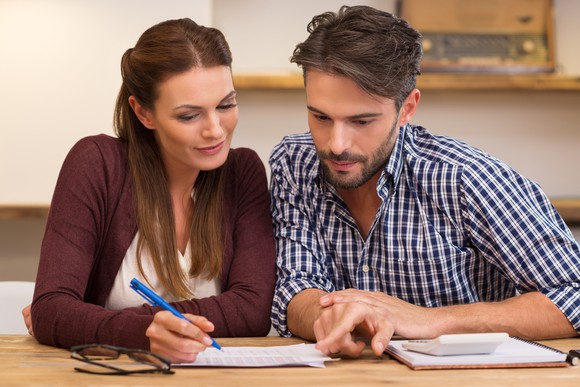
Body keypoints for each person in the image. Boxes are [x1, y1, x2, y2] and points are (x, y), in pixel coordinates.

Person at [269, 5, 580, 358]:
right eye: (321, 116)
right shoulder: (293, 163)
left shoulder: (465, 177)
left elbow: (574, 293)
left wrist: (431, 320)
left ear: (407, 109)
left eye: (362, 121)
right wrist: (326, 317)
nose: (336, 144)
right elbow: (295, 287)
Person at [23, 18, 276, 363]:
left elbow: (253, 311)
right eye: (189, 116)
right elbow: (52, 309)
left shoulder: (242, 172)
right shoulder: (96, 164)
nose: (216, 130)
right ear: (143, 113)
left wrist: (97, 322)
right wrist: (142, 332)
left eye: (226, 105)